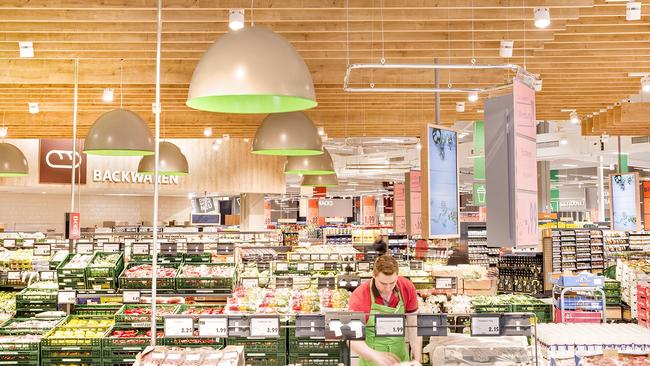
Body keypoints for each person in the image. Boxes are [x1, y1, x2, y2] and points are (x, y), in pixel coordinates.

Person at [348, 255, 422, 366]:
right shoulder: (359, 296)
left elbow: (414, 326)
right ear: (374, 276)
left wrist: (417, 359)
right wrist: (374, 355)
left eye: (392, 283)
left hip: (401, 360)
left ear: (398, 275)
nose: (388, 289)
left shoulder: (407, 287)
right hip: (372, 361)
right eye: (383, 284)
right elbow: (351, 338)